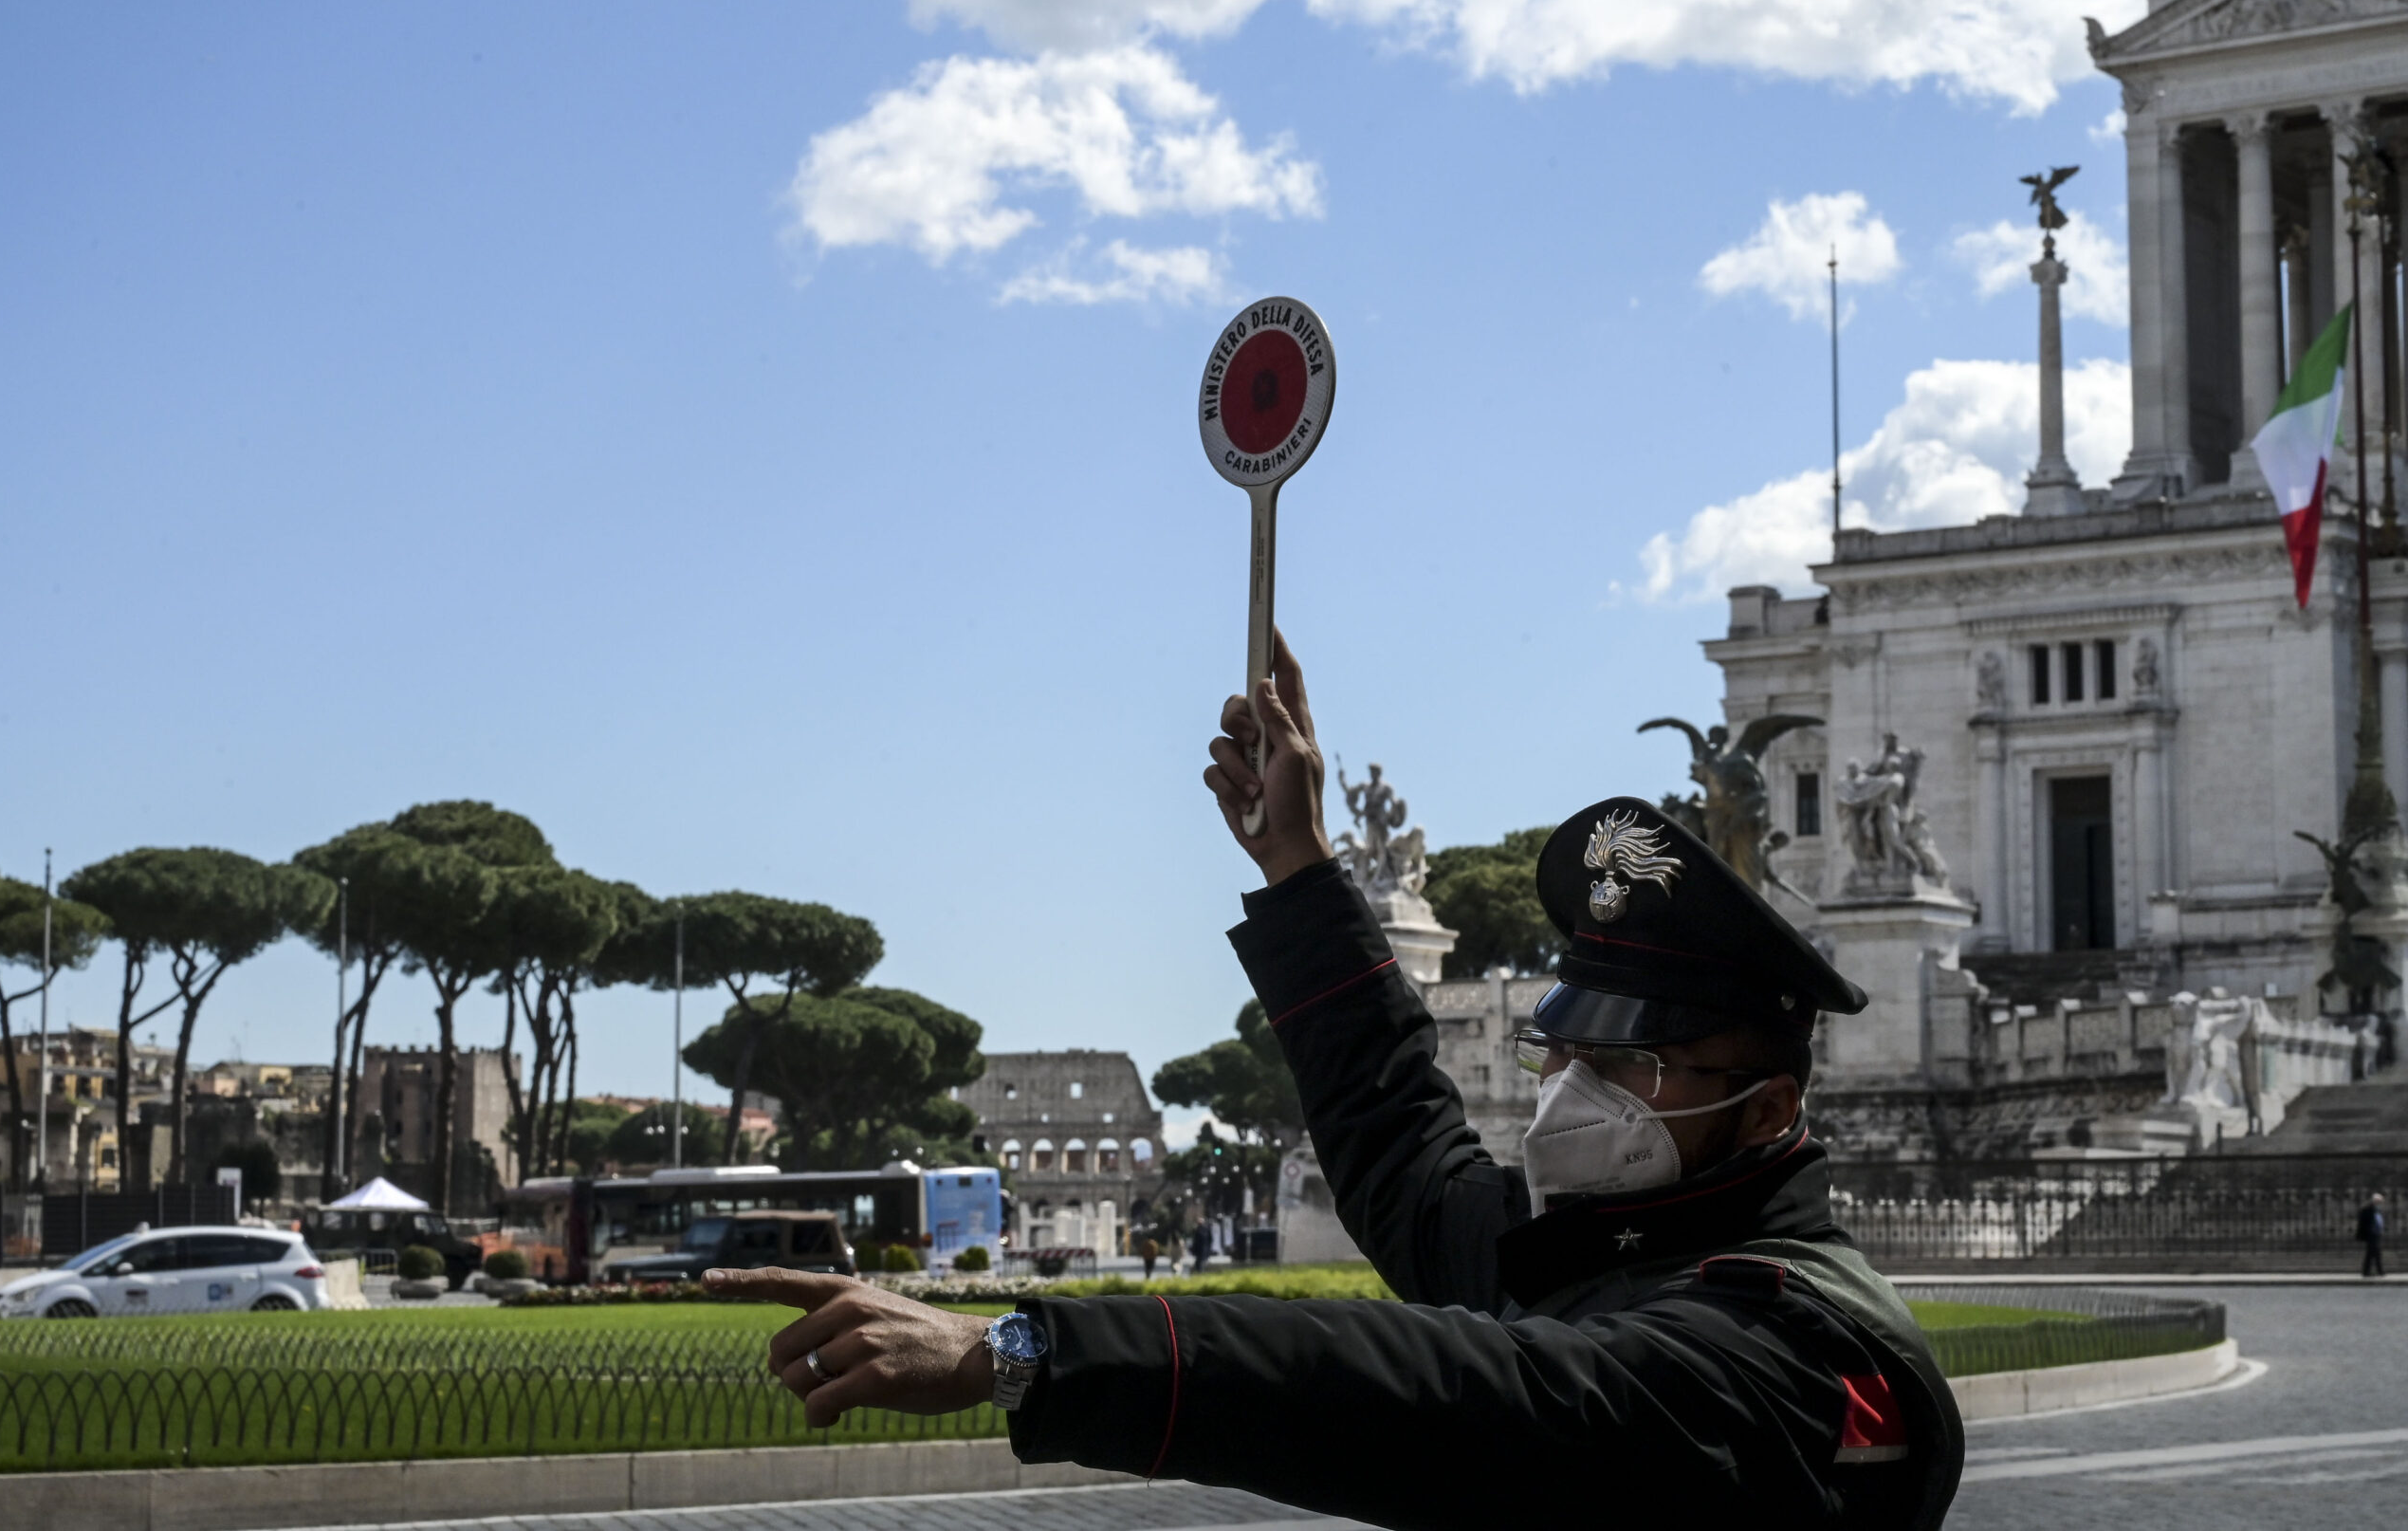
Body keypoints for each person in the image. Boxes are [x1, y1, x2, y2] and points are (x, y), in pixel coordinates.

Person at [708, 633, 1964, 1528]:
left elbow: (1444, 1394)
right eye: (1565, 1049)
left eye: (1631, 1062)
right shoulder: (1618, 1252)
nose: (1576, 1088)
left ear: (1769, 1107)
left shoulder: (1801, 1352)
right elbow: (1405, 1144)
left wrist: (1027, 1351)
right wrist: (1304, 866)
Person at [2360, 1192, 2387, 1278]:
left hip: (2375, 1234)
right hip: (2372, 1234)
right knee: (2375, 1253)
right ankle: (2378, 1271)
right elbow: (2366, 1223)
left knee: (2371, 1254)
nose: (2381, 1203)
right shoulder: (2369, 1209)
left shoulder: (2375, 1209)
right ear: (2375, 1201)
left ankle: (2367, 1271)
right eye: (2379, 1201)